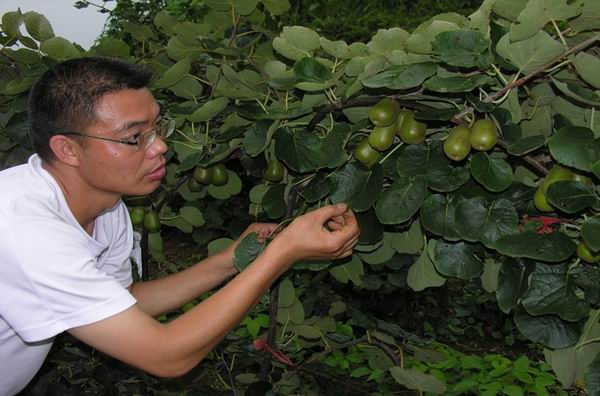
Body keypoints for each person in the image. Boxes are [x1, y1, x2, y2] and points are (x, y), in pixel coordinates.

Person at [0, 57, 360, 395]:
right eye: (134, 138)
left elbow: (125, 303)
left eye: (157, 128)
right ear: (67, 150)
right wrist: (283, 253)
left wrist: (231, 260)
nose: (160, 147)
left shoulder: (107, 208)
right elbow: (165, 356)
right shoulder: (21, 225)